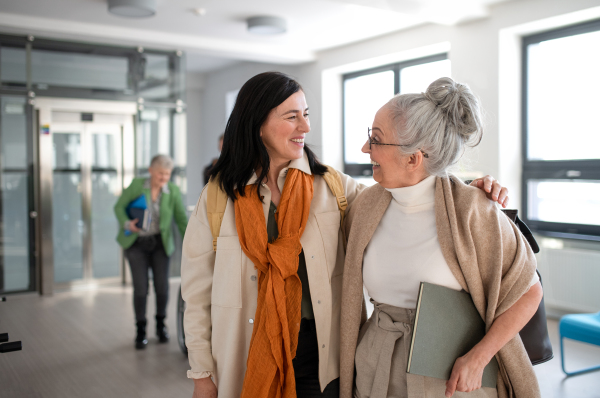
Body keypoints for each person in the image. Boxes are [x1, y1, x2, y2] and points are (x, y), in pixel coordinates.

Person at [180, 72, 509, 398]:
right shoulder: (217, 198)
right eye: (292, 116)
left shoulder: (333, 188)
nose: (305, 127)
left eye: (306, 115)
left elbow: (408, 195)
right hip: (244, 352)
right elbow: (196, 296)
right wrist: (202, 375)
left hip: (319, 359)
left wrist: (467, 191)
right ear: (258, 123)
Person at [339, 77, 543, 398]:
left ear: (413, 158)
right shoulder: (365, 205)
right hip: (376, 365)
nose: (365, 148)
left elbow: (529, 292)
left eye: (375, 139)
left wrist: (479, 358)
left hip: (450, 375)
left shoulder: (474, 209)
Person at [114, 154, 188, 349]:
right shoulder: (137, 185)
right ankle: (140, 329)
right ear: (150, 171)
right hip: (136, 243)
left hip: (160, 244)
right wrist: (127, 223)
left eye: (167, 174)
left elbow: (180, 218)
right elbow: (119, 207)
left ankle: (161, 325)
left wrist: (192, 240)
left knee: (162, 287)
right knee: (141, 288)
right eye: (160, 173)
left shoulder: (172, 190)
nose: (164, 178)